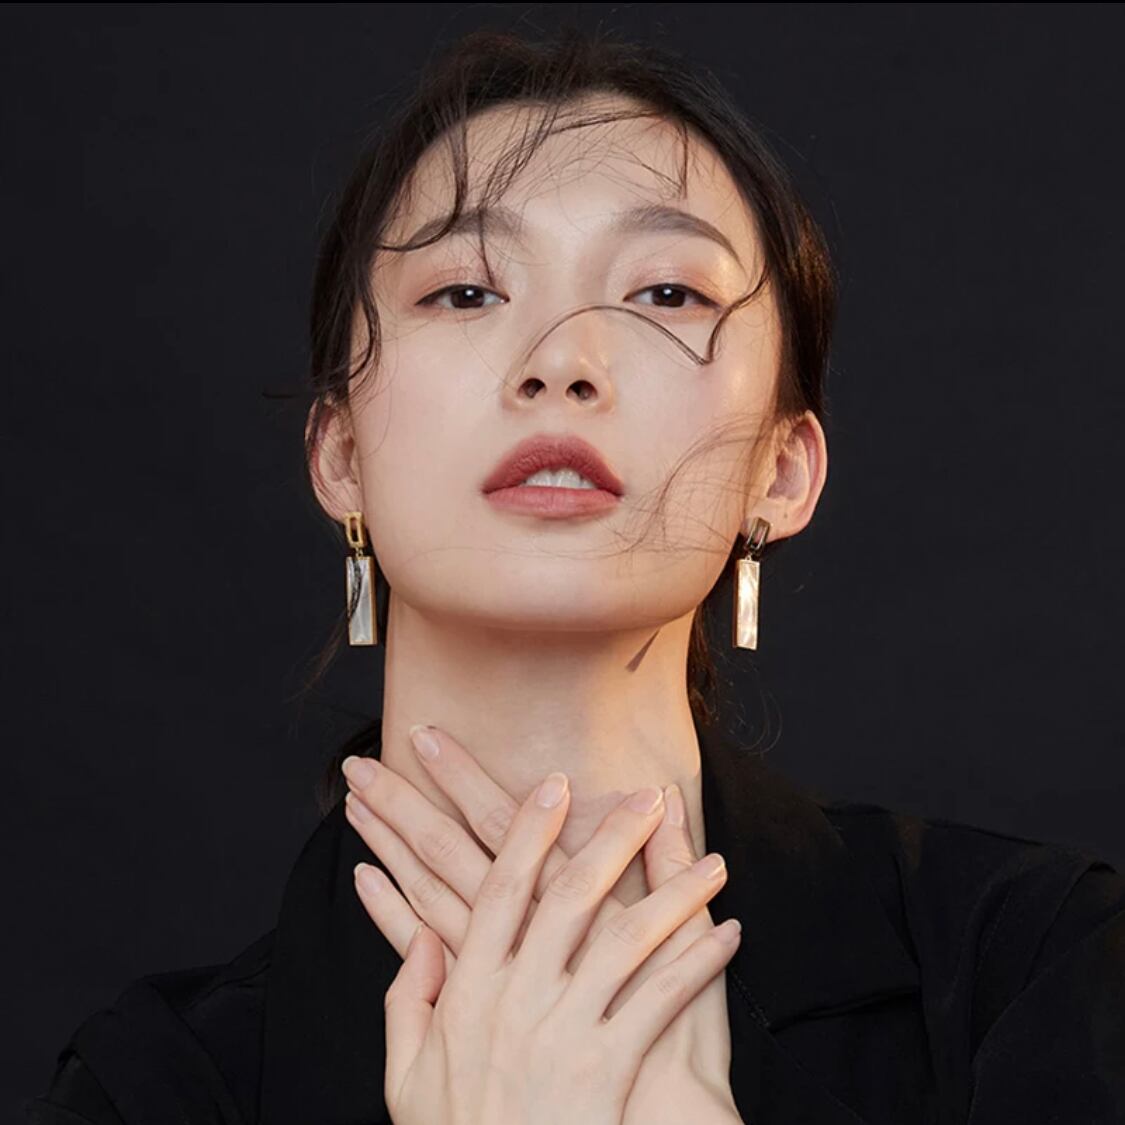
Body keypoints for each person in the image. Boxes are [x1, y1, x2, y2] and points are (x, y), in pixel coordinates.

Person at [24, 24, 1125, 1125]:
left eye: (665, 293)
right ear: (339, 454)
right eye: (465, 292)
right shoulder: (152, 1091)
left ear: (781, 470)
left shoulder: (1039, 965)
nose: (560, 362)